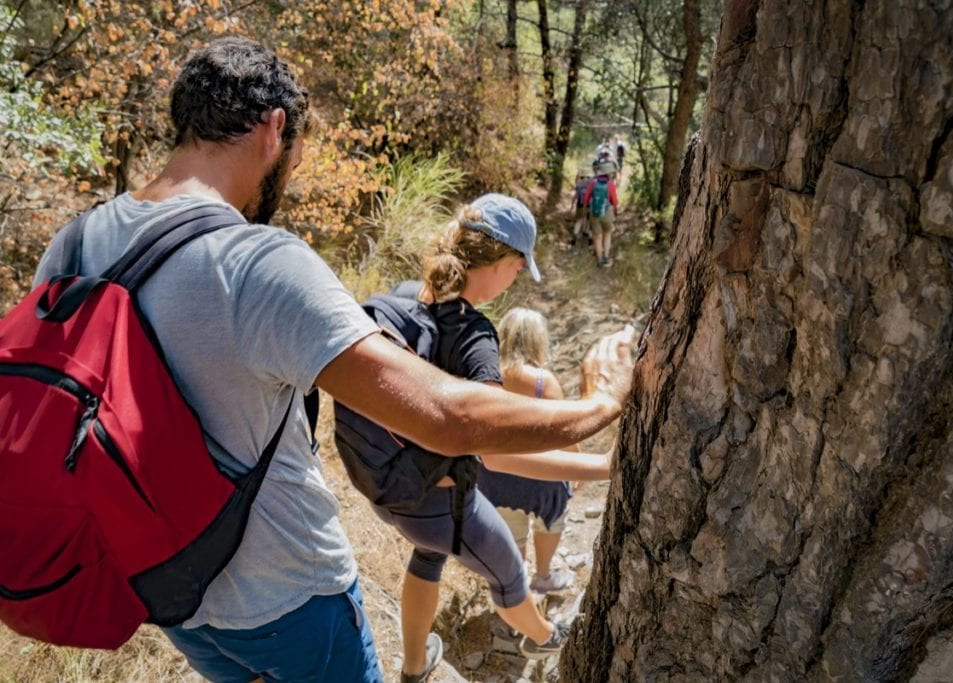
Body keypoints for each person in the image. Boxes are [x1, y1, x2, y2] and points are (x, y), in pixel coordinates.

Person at [30, 37, 634, 683]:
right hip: (292, 601)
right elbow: (445, 416)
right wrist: (599, 403)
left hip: (171, 595)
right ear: (275, 129)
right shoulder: (258, 262)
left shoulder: (74, 244)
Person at [365, 194, 622, 682]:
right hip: (439, 502)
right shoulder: (475, 337)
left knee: (427, 555)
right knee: (508, 575)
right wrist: (604, 466)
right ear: (505, 262)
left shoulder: (404, 296)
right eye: (519, 267)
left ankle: (415, 666)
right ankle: (545, 638)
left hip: (384, 485)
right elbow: (500, 458)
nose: (517, 278)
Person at [478, 307, 578, 595]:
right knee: (551, 521)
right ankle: (544, 576)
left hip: (496, 472)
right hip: (541, 473)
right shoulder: (542, 381)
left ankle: (517, 587)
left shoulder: (487, 373)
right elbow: (564, 431)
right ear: (538, 339)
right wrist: (576, 463)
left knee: (511, 528)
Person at [583, 161, 620, 267]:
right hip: (607, 212)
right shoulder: (610, 184)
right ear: (609, 173)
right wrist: (615, 210)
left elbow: (586, 198)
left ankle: (599, 260)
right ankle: (606, 256)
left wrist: (586, 211)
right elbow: (615, 201)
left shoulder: (593, 182)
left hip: (594, 212)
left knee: (597, 236)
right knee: (607, 234)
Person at [570, 170, 591, 247]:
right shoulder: (590, 183)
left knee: (579, 221)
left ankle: (574, 236)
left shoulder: (578, 184)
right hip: (589, 205)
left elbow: (575, 196)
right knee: (588, 219)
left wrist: (572, 205)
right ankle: (587, 234)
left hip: (580, 204)